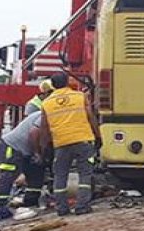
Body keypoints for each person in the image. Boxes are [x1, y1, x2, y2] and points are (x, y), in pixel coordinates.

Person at [39, 73, 102, 216]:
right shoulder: (80, 96)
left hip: (61, 144)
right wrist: (98, 136)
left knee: (60, 176)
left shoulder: (46, 103)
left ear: (53, 85)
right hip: (83, 140)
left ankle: (62, 208)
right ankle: (82, 206)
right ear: (67, 82)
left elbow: (44, 128)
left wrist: (44, 147)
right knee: (85, 174)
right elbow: (90, 117)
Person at [0, 111, 46, 209]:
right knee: (9, 174)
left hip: (28, 150)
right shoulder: (47, 114)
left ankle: (30, 202)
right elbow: (33, 133)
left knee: (36, 173)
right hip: (12, 146)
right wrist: (37, 153)